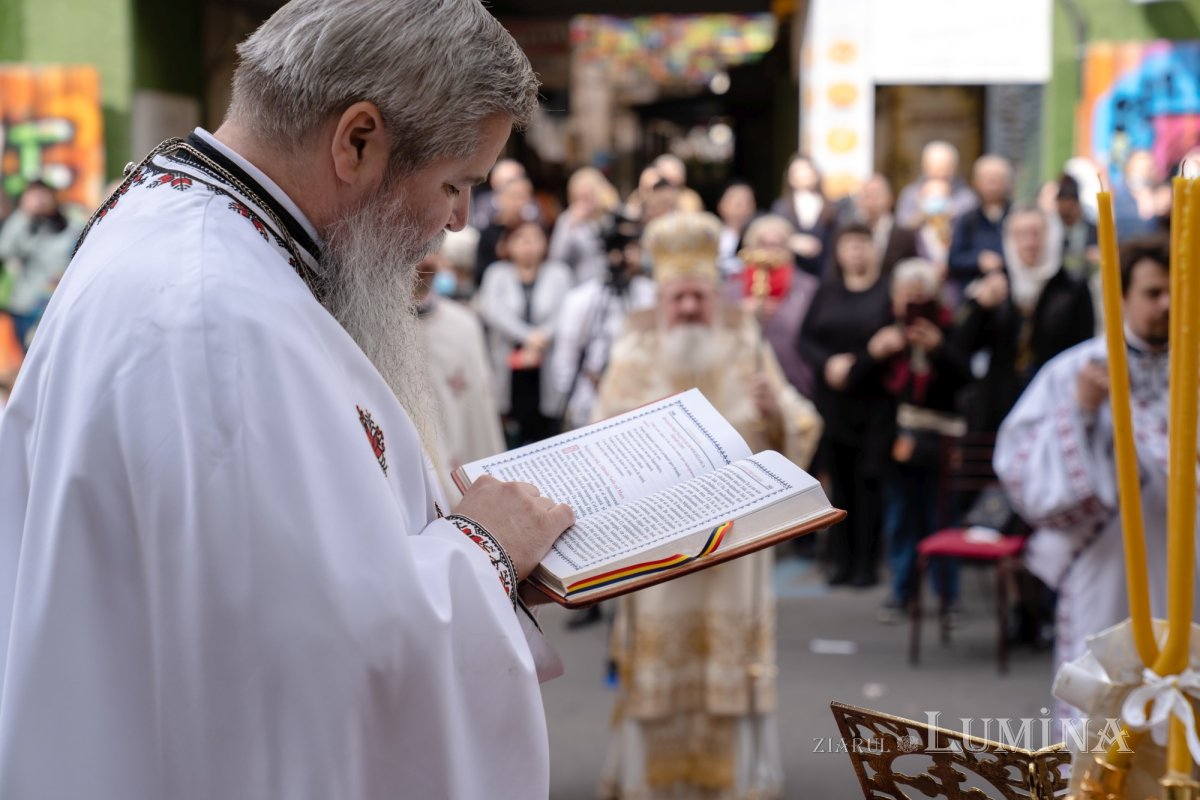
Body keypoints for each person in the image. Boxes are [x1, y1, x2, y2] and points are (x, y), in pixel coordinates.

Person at [0, 2, 579, 798]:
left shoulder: (193, 225)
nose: (455, 221)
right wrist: (486, 547)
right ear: (358, 140)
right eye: (454, 184)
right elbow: (301, 671)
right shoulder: (213, 316)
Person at [595, 211, 822, 800]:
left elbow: (799, 422)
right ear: (661, 298)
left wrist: (775, 411)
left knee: (729, 662)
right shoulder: (636, 344)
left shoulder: (745, 340)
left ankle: (734, 783)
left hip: (733, 540)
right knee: (657, 666)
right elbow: (598, 437)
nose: (691, 308)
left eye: (700, 295)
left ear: (716, 295)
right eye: (679, 298)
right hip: (657, 541)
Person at [993, 237, 1189, 716]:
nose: (1166, 304)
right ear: (1121, 297)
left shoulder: (1193, 368)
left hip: (1188, 561)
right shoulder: (1074, 372)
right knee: (1103, 702)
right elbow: (1019, 468)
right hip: (1107, 563)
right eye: (1153, 292)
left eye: (1176, 292)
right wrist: (1080, 410)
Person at [799, 222, 894, 587]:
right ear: (838, 252)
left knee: (868, 481)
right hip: (833, 403)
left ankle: (866, 564)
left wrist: (857, 363)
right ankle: (840, 561)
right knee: (837, 483)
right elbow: (805, 339)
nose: (856, 252)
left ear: (873, 249)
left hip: (873, 403)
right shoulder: (827, 292)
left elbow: (888, 345)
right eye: (849, 245)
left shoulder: (885, 293)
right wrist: (827, 364)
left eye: (862, 244)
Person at [876, 258, 970, 622]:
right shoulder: (885, 329)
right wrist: (878, 350)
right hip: (897, 438)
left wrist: (938, 349)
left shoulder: (950, 328)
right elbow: (868, 381)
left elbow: (965, 379)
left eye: (920, 296)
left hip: (941, 438)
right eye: (906, 295)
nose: (912, 303)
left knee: (941, 516)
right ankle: (901, 592)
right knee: (900, 516)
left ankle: (948, 596)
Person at [951, 206, 1094, 435]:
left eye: (1036, 234)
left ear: (1051, 236)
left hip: (1055, 404)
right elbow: (962, 347)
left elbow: (1082, 350)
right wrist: (980, 307)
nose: (1029, 244)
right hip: (1001, 405)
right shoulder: (995, 283)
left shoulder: (1071, 288)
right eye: (1020, 235)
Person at [549, 215, 655, 432]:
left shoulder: (649, 293)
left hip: (642, 401)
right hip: (591, 406)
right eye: (627, 248)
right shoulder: (583, 299)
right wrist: (573, 403)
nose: (631, 256)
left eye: (635, 248)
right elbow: (566, 356)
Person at [416, 248, 506, 501]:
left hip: (462, 474)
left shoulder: (464, 323)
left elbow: (481, 414)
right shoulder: (372, 329)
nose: (428, 261)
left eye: (434, 250)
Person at [476, 220, 574, 446]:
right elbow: (492, 310)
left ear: (546, 243)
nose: (528, 245)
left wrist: (542, 337)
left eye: (535, 238)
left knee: (547, 429)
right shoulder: (497, 273)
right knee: (510, 429)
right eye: (521, 238)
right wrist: (527, 336)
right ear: (508, 244)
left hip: (546, 358)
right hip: (508, 361)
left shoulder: (559, 273)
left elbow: (566, 311)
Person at [735, 213, 820, 399]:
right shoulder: (732, 287)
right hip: (743, 384)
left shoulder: (809, 288)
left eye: (778, 244)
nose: (770, 251)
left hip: (796, 380)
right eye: (763, 244)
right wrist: (741, 313)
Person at [0, 180, 81, 351]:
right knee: (31, 354)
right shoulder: (23, 224)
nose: (40, 200)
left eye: (44, 195)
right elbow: (5, 250)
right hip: (26, 306)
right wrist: (24, 214)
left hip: (58, 304)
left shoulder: (71, 225)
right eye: (33, 196)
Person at [947, 155, 1013, 294]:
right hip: (974, 291)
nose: (992, 185)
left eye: (997, 179)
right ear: (976, 182)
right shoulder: (967, 220)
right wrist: (978, 260)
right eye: (987, 179)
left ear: (1007, 182)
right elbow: (954, 260)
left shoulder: (1017, 216)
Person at [548, 166, 618, 284]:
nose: (584, 204)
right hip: (578, 285)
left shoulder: (610, 217)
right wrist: (571, 226)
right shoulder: (567, 219)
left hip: (609, 283)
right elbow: (556, 259)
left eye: (588, 197)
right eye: (579, 198)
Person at [771, 154, 836, 277]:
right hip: (793, 271)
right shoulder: (781, 207)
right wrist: (792, 242)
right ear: (790, 177)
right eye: (798, 171)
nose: (804, 174)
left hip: (824, 269)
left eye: (807, 169)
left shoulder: (832, 207)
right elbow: (773, 237)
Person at [894, 140, 979, 228]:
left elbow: (971, 227)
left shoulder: (967, 197)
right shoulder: (910, 194)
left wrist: (947, 207)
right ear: (925, 167)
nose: (940, 174)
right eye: (935, 169)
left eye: (945, 169)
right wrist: (922, 211)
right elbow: (901, 227)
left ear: (954, 168)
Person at [856, 173, 918, 279]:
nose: (870, 201)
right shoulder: (851, 234)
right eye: (865, 195)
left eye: (875, 195)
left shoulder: (905, 237)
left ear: (890, 198)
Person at [715, 180, 758, 277]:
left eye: (746, 202)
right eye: (734, 201)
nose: (740, 206)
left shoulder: (759, 240)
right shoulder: (710, 237)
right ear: (720, 205)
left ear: (754, 206)